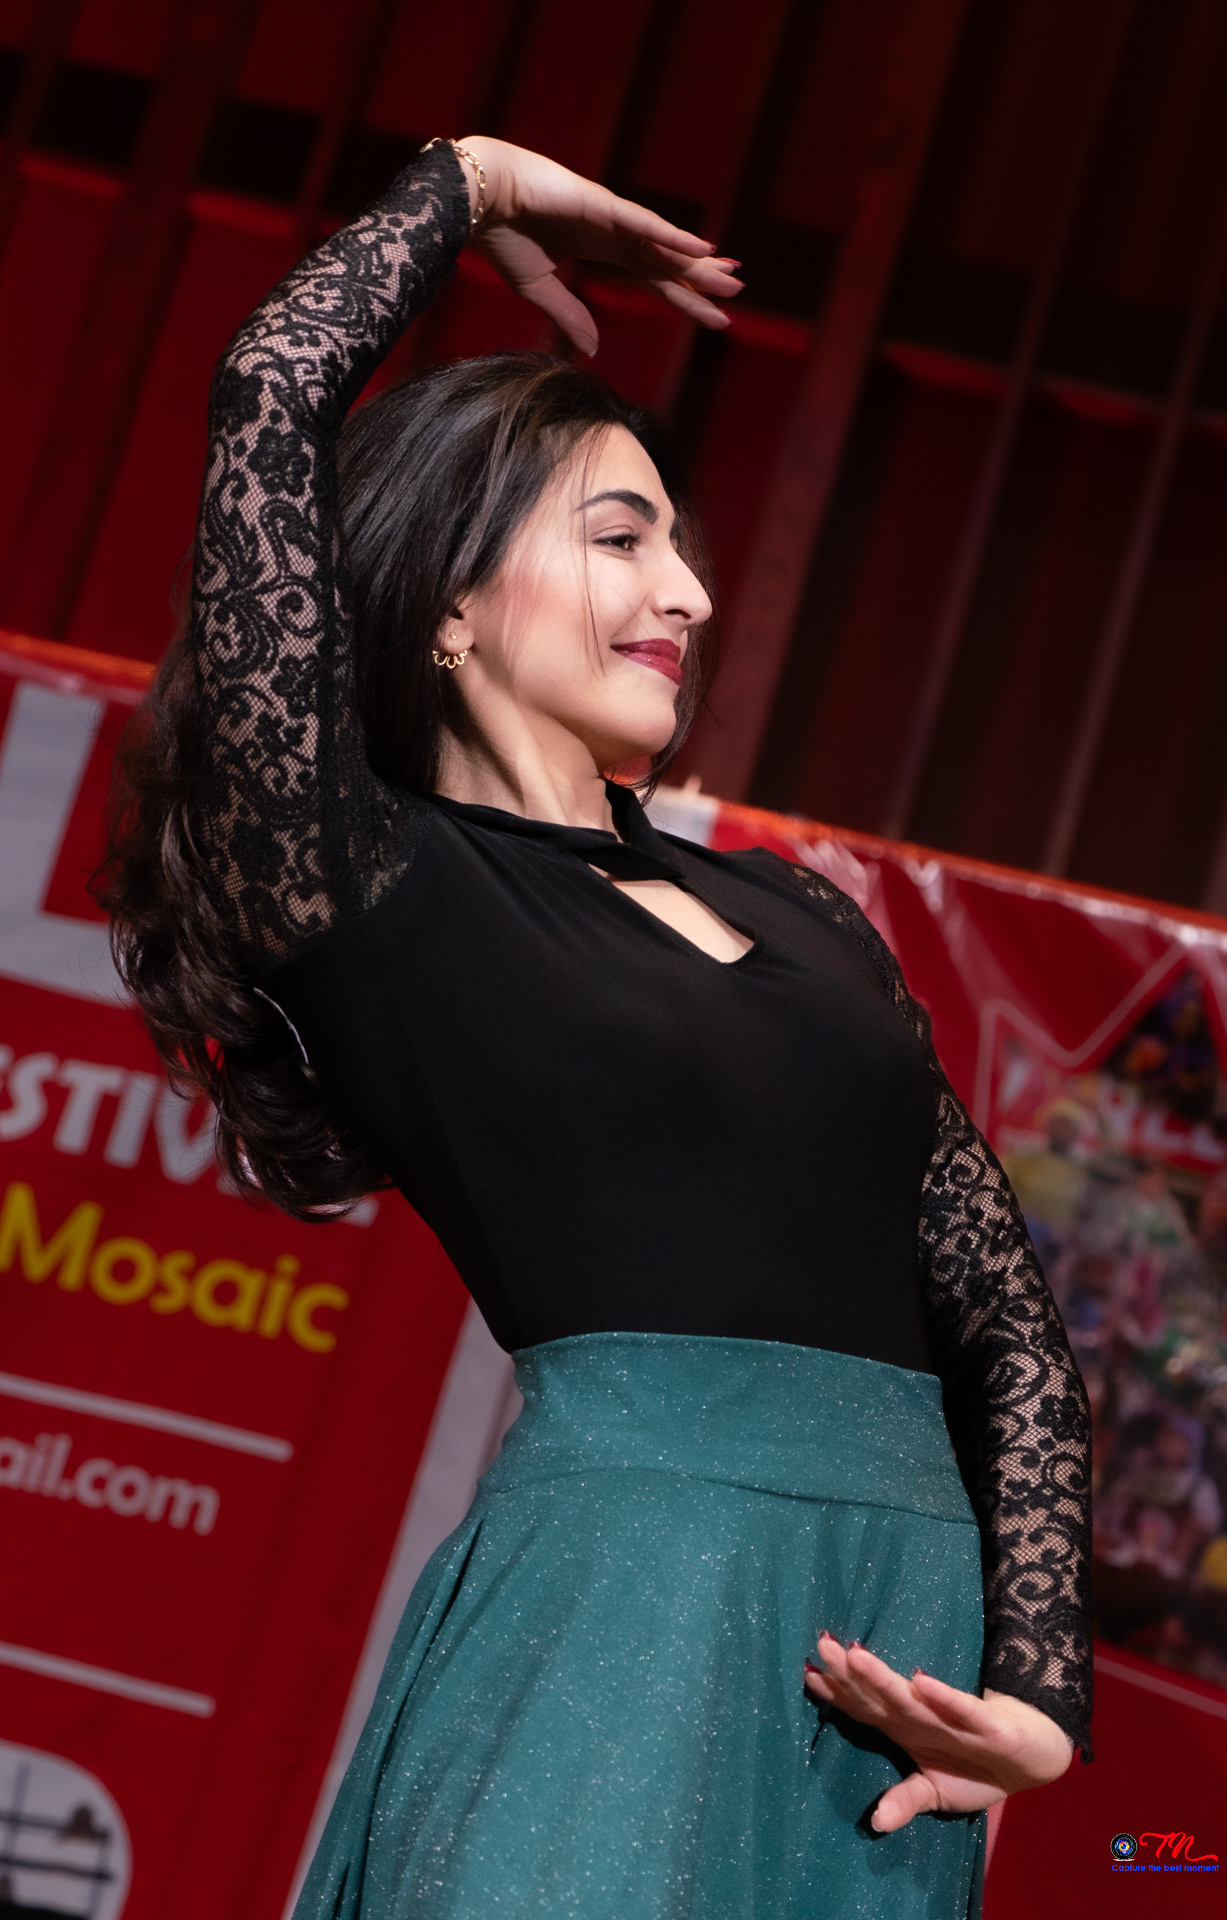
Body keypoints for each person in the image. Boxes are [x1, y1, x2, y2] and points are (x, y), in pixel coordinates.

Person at [103, 134, 1093, 1919]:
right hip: (620, 1605)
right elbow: (269, 394)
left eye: (680, 548)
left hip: (892, 1675)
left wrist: (1035, 1695)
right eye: (621, 538)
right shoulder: (359, 877)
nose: (688, 594)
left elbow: (1006, 1330)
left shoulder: (802, 914)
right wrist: (467, 183)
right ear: (449, 600)